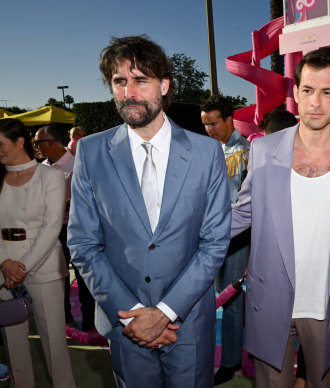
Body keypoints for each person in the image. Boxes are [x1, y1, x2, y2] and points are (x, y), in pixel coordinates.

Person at [67, 35, 231, 387]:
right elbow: (83, 244)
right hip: (125, 321)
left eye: (141, 80)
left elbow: (215, 242)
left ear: (164, 85)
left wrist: (166, 312)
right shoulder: (91, 153)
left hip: (187, 321)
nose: (129, 92)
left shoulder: (207, 153)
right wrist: (134, 316)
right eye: (120, 81)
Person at [231, 47, 330, 387]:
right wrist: (184, 235)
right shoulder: (264, 149)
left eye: (327, 92)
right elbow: (242, 214)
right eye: (308, 90)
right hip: (271, 299)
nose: (315, 102)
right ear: (295, 94)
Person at [0, 118, 76, 388]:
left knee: (53, 341)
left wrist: (21, 266)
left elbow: (52, 226)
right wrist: (5, 263)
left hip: (43, 266)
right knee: (13, 344)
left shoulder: (52, 176)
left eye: (1, 144)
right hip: (3, 269)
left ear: (20, 142)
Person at [200, 94, 250, 385]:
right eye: (205, 124)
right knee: (216, 297)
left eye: (213, 123)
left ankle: (231, 361)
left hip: (234, 237)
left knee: (230, 300)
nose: (209, 129)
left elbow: (240, 206)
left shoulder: (243, 152)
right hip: (210, 235)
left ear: (230, 119)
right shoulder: (211, 149)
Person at [34, 124, 96, 332]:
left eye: (37, 142)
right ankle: (63, 316)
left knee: (82, 276)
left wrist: (58, 202)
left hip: (75, 228)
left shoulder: (76, 165)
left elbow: (85, 198)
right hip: (51, 230)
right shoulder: (42, 167)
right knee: (57, 275)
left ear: (51, 142)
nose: (35, 147)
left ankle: (90, 322)